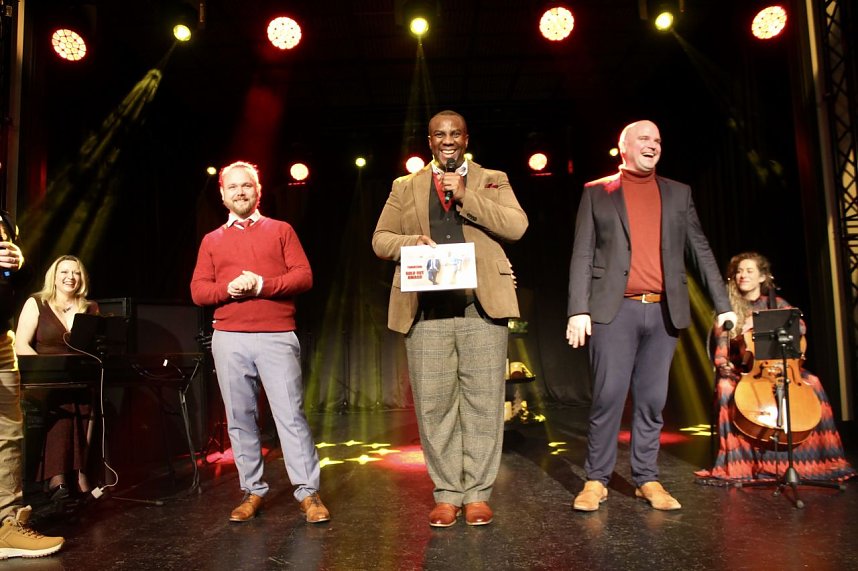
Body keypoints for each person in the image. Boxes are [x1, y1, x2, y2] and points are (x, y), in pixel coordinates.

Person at [566, 119, 737, 512]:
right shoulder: (597, 193)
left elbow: (701, 249)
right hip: (614, 310)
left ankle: (647, 478)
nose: (653, 144)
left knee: (652, 399)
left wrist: (723, 304)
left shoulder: (678, 193)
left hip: (663, 311)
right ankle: (596, 479)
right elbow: (582, 252)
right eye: (644, 138)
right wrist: (578, 308)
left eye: (658, 139)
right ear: (623, 146)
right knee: (609, 396)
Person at [372, 110, 528, 527]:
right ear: (429, 141)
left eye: (454, 133)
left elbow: (516, 226)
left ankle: (477, 493)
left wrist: (465, 196)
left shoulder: (492, 178)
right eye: (439, 134)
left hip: (482, 306)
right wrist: (412, 242)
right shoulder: (404, 186)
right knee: (434, 405)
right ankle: (446, 493)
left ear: (465, 137)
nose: (447, 140)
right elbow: (380, 239)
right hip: (426, 310)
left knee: (483, 403)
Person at [190, 160, 330, 524]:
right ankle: (252, 491)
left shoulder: (281, 230)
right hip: (229, 338)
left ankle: (308, 493)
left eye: (246, 185)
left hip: (276, 336)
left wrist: (262, 285)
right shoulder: (211, 241)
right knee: (240, 419)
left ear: (258, 191)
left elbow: (304, 277)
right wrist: (229, 289)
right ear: (222, 195)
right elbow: (198, 290)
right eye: (233, 187)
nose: (240, 191)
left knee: (290, 416)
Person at [695, 252, 855, 483]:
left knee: (814, 383)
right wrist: (725, 362)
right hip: (744, 372)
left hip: (780, 370)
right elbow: (721, 344)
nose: (743, 276)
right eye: (739, 271)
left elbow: (798, 326)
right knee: (725, 389)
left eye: (749, 271)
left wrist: (765, 323)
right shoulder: (728, 307)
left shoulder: (776, 303)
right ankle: (740, 463)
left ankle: (818, 459)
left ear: (762, 277)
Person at [0, 211, 64, 558]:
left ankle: (6, 526)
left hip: (0, 340)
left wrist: (18, 264)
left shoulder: (4, 220)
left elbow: (13, 283)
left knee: (8, 436)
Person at [15, 255, 98, 501]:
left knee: (86, 400)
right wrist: (46, 369)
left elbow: (95, 346)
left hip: (77, 375)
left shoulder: (90, 307)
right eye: (64, 272)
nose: (70, 277)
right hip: (43, 376)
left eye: (76, 273)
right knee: (62, 400)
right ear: (54, 276)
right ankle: (60, 476)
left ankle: (78, 472)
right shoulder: (36, 303)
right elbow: (21, 344)